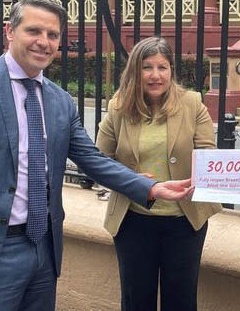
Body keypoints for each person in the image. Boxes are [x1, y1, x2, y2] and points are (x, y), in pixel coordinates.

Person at [0, 0, 195, 311]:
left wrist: (150, 187)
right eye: (34, 31)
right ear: (9, 31)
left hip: (43, 252)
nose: (44, 42)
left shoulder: (60, 101)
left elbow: (92, 159)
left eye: (53, 35)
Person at [95, 36, 222, 311]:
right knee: (136, 299)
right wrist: (134, 181)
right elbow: (99, 161)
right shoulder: (118, 109)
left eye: (162, 67)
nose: (155, 75)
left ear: (171, 71)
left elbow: (208, 156)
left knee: (181, 300)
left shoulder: (192, 104)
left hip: (184, 222)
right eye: (147, 67)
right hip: (133, 221)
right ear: (134, 72)